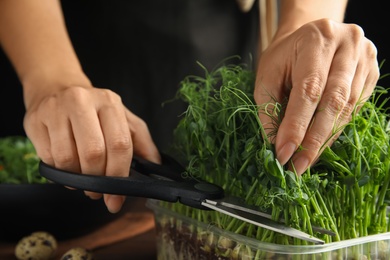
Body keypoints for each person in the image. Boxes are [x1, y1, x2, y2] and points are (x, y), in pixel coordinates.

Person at [0, 0, 379, 213]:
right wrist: (52, 76)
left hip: (231, 42)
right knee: (88, 161)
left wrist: (304, 27)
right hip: (85, 39)